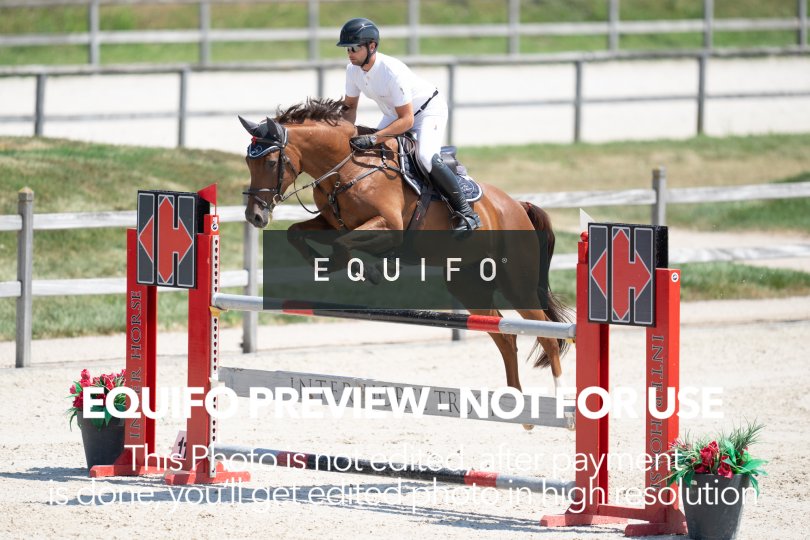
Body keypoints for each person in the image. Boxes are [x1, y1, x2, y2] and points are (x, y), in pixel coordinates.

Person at [337, 17, 481, 231]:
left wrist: (375, 138)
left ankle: (466, 213)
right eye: (347, 48)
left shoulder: (391, 71)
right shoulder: (353, 70)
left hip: (426, 111)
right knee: (371, 152)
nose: (350, 53)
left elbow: (407, 120)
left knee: (425, 157)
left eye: (354, 48)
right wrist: (342, 134)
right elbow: (349, 108)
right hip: (395, 114)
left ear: (372, 46)